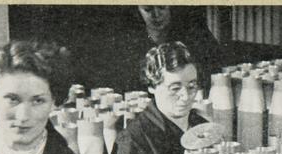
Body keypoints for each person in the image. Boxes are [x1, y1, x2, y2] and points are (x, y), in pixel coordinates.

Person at [100, 42, 208, 154]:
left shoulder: (202, 126)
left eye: (191, 86)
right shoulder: (132, 138)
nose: (186, 96)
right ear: (152, 87)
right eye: (175, 88)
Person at [77, 5, 223, 94]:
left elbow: (215, 63)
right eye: (148, 9)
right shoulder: (128, 37)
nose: (156, 15)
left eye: (161, 7)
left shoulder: (191, 30)